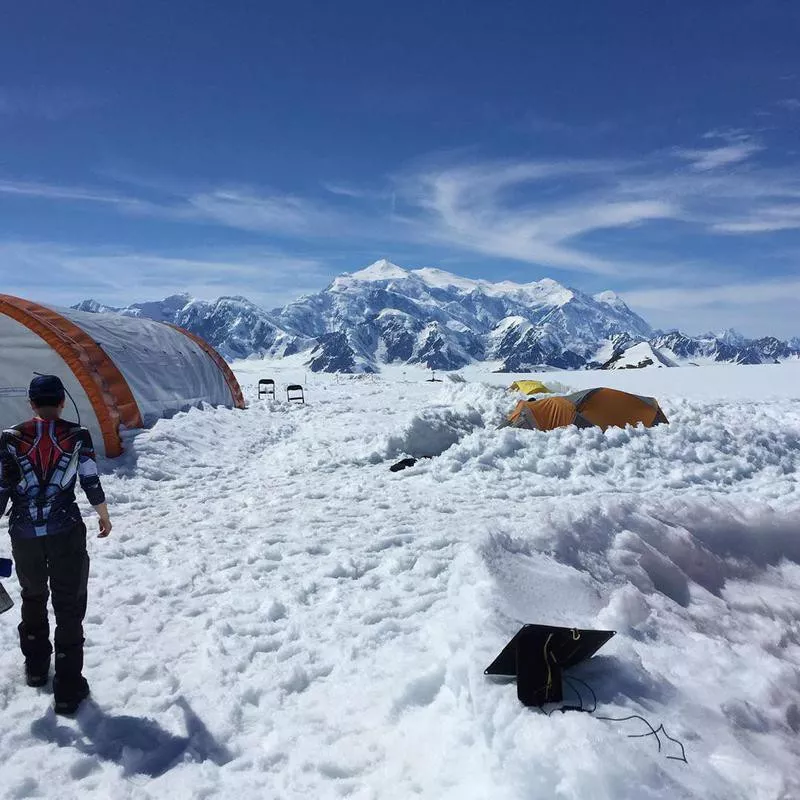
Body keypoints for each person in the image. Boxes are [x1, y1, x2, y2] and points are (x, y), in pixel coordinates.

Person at [0, 375, 112, 715]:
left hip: (24, 534)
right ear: (62, 401)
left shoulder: (10, 438)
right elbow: (90, 479)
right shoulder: (78, 436)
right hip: (66, 530)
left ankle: (36, 668)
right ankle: (67, 685)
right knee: (69, 604)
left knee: (32, 596)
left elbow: (2, 489)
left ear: (32, 403)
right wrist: (103, 515)